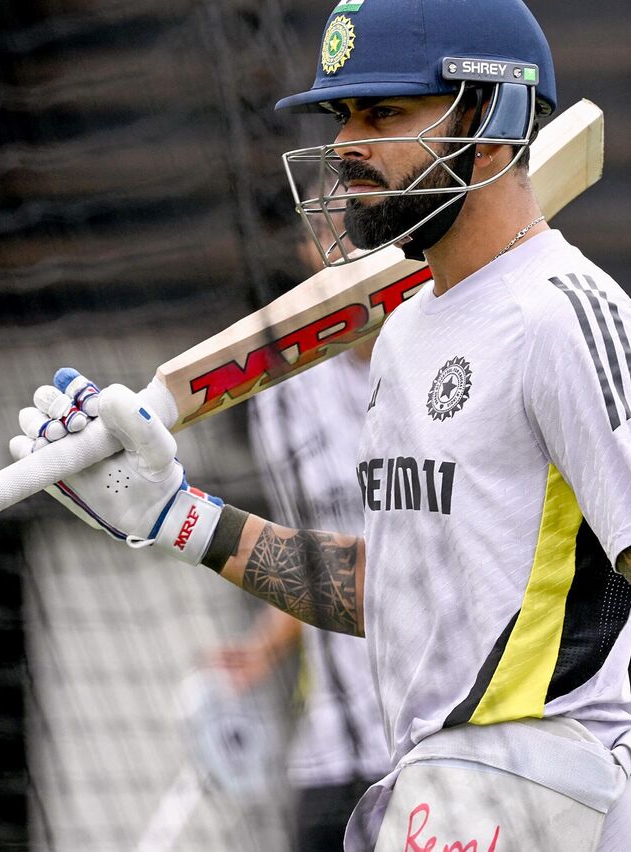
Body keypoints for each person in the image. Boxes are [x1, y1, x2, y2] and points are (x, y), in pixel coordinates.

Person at [10, 0, 631, 851]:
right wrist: (176, 516)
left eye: (385, 112)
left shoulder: (565, 317)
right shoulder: (405, 335)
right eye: (345, 117)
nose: (349, 146)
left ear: (496, 120)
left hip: (536, 780)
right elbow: (394, 589)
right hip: (437, 785)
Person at [210, 275, 390, 851]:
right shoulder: (285, 400)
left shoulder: (444, 371)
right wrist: (262, 648)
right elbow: (322, 564)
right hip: (330, 752)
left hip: (434, 742)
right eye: (323, 228)